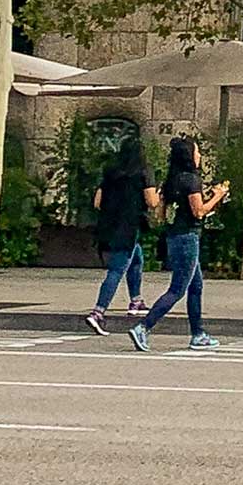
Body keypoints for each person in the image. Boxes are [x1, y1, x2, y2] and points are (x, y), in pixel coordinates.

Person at [129, 135, 228, 353]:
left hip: (174, 235)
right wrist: (217, 196)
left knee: (196, 286)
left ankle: (198, 333)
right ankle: (144, 326)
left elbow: (162, 213)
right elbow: (199, 211)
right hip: (188, 237)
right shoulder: (192, 180)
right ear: (189, 156)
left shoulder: (171, 180)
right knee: (178, 289)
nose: (199, 156)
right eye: (197, 151)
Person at [85, 135, 158, 335]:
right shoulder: (144, 171)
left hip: (109, 224)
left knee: (137, 259)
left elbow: (97, 202)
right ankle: (98, 312)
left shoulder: (111, 171)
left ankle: (136, 300)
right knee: (117, 269)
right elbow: (152, 201)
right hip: (129, 226)